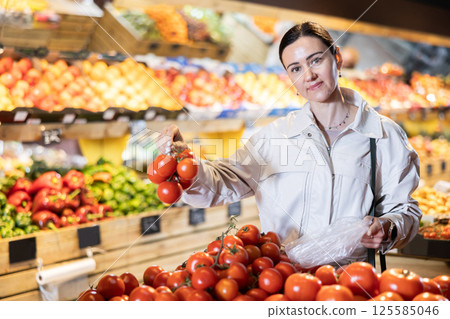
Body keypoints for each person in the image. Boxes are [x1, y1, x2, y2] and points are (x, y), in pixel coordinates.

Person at [157, 21, 422, 264]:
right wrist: (186, 161)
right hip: (282, 283)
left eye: (316, 60)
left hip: (350, 286)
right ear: (290, 79)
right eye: (296, 68)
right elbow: (222, 182)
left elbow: (406, 210)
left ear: (337, 59)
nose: (309, 75)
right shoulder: (274, 137)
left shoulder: (383, 135)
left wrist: (389, 228)